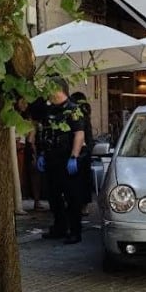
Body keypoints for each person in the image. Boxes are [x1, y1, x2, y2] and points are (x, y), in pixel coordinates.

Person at [37, 79, 88, 244]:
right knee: (54, 197)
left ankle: (74, 231)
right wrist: (42, 154)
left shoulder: (73, 110)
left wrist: (74, 156)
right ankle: (59, 227)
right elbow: (44, 132)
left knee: (72, 198)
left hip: (67, 159)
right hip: (52, 158)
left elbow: (79, 134)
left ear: (59, 90)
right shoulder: (49, 110)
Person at [69, 91, 95, 215]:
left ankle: (82, 205)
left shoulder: (80, 115)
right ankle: (81, 205)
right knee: (82, 180)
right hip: (82, 150)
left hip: (82, 151)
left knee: (81, 180)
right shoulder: (84, 114)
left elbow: (85, 135)